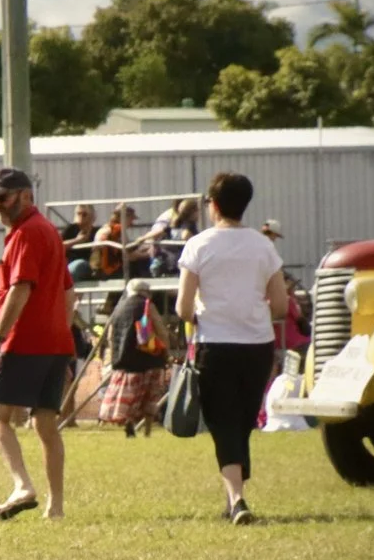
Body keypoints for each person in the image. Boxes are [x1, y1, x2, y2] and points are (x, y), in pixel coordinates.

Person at [176, 171, 289, 524]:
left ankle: (237, 499)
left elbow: (182, 308)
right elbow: (282, 306)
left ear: (214, 204)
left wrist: (203, 313)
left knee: (223, 421)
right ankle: (233, 498)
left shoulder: (199, 245)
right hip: (257, 344)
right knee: (241, 421)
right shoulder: (263, 245)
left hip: (215, 342)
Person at [0, 167, 74, 519]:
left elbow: (19, 290)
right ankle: (56, 507)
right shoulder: (49, 231)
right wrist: (61, 339)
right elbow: (69, 294)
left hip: (25, 340)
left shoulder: (26, 233)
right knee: (45, 424)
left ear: (25, 195)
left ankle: (23, 485)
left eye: (2, 198)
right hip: (54, 342)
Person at [96, 280, 174, 436]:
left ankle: (129, 425)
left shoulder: (119, 308)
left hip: (125, 360)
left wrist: (115, 356)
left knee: (131, 397)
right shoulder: (148, 306)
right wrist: (167, 352)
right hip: (150, 358)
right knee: (150, 398)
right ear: (146, 292)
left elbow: (111, 336)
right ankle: (147, 431)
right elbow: (161, 330)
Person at [66, 203, 100, 283]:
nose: (81, 217)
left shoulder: (97, 231)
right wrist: (77, 240)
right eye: (78, 214)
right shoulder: (71, 229)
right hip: (69, 263)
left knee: (78, 265)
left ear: (92, 217)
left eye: (84, 214)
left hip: (88, 265)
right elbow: (59, 246)